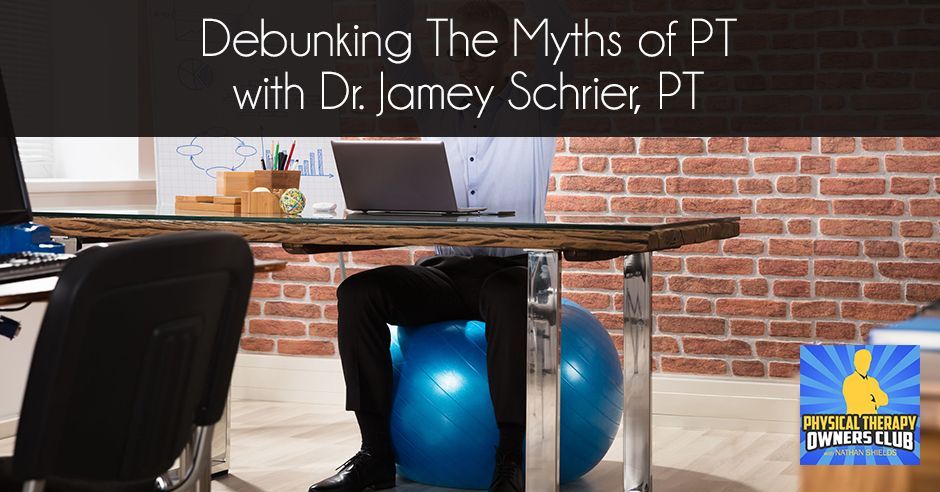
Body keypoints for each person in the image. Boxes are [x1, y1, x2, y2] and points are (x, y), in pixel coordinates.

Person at [309, 1, 571, 491]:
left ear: (510, 53)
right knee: (358, 294)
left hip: (514, 272)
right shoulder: (437, 104)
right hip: (447, 273)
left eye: (484, 46)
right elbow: (395, 59)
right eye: (462, 48)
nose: (471, 56)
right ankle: (375, 454)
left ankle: (512, 460)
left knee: (509, 297)